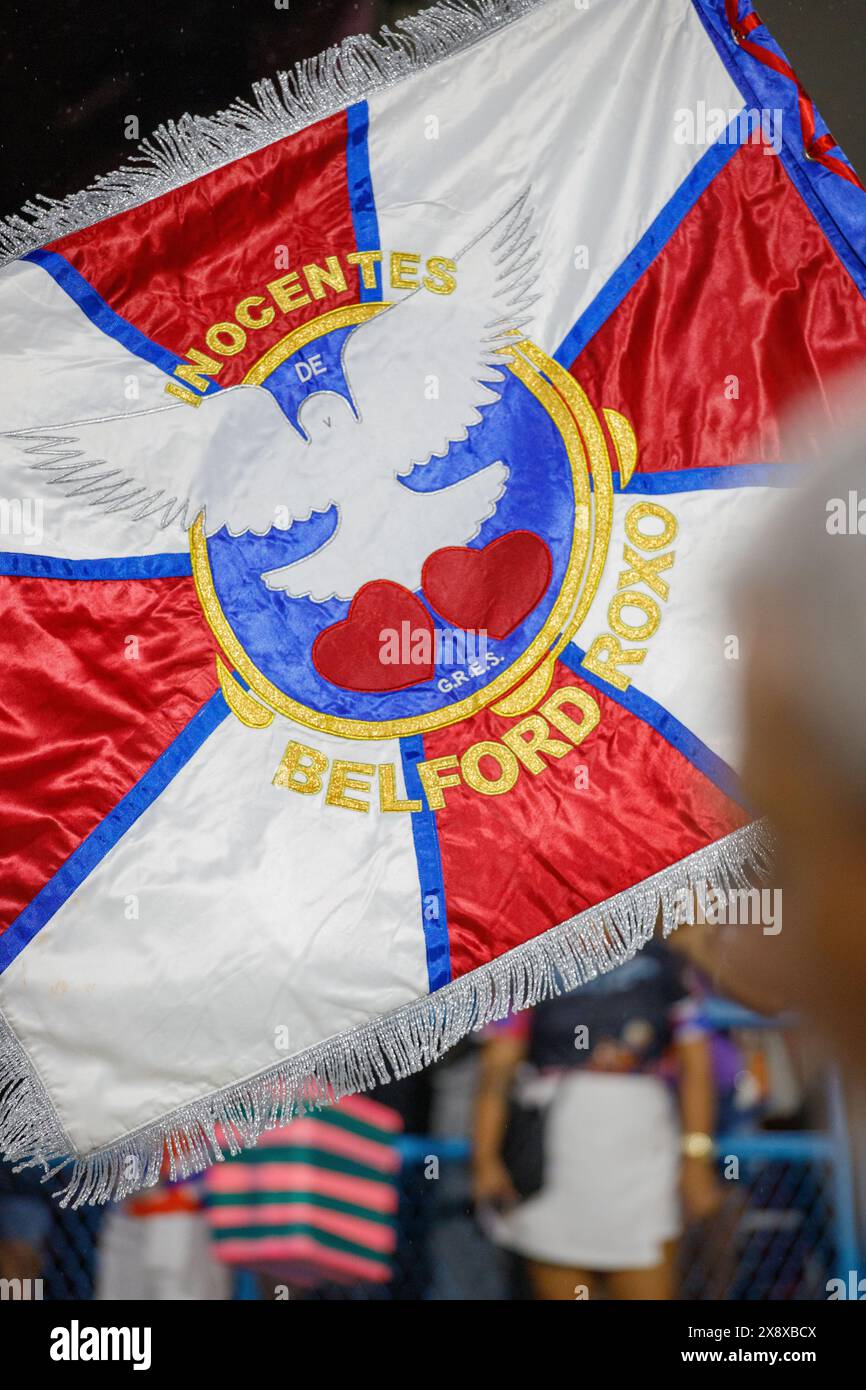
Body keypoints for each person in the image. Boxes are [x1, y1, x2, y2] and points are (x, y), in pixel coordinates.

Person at [471, 942, 721, 1300]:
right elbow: (498, 1068)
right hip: (553, 1161)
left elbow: (696, 1065)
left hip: (642, 1154)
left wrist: (696, 1157)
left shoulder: (663, 960)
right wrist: (486, 1161)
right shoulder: (531, 956)